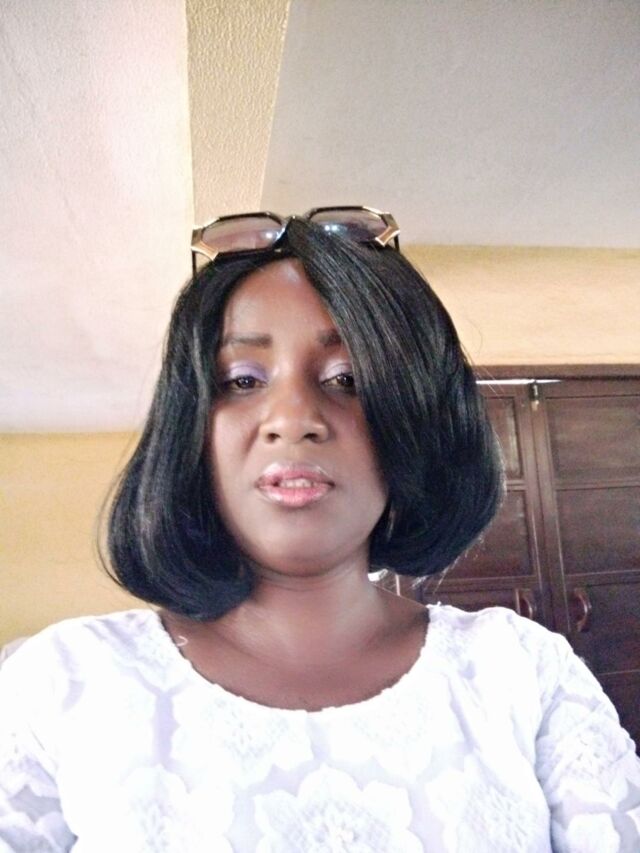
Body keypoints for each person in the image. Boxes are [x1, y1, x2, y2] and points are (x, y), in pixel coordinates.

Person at [0, 208, 638, 852]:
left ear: (415, 425)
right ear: (189, 427)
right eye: (241, 381)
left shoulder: (520, 672)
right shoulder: (62, 682)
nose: (293, 418)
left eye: (347, 380)